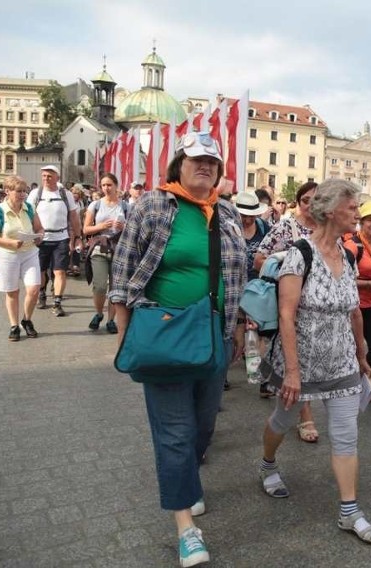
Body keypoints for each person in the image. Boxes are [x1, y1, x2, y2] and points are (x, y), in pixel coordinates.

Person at [109, 132, 247, 567]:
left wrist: (240, 323)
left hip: (215, 334)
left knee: (203, 426)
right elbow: (125, 263)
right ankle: (186, 527)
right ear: (178, 166)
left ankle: (187, 479)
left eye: (212, 161)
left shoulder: (224, 212)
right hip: (166, 334)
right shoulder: (154, 205)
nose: (204, 166)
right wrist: (122, 322)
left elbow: (236, 272)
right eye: (196, 160)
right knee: (174, 432)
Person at [258, 179, 371, 544]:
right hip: (301, 362)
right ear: (330, 211)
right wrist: (293, 373)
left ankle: (350, 511)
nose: (357, 215)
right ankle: (267, 465)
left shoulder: (347, 255)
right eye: (352, 208)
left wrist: (361, 355)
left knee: (346, 436)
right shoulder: (300, 254)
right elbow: (286, 315)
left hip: (341, 361)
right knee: (282, 420)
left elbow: (354, 312)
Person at [253, 182, 321, 440]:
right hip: (290, 302)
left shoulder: (325, 229)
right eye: (306, 200)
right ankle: (306, 417)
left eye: (317, 200)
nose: (311, 205)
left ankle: (286, 399)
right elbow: (259, 258)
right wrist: (285, 260)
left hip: (315, 306)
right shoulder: (286, 226)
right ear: (298, 202)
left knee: (301, 361)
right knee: (297, 360)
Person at [0, 175, 44, 341]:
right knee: (13, 292)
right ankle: (14, 325)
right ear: (7, 191)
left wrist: (39, 235)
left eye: (24, 191)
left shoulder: (29, 208)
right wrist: (9, 242)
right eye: (18, 191)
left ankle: (26, 320)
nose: (22, 194)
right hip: (7, 254)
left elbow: (40, 228)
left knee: (34, 289)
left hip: (30, 252)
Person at [344, 202, 371, 394]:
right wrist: (369, 284)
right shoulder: (352, 245)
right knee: (353, 349)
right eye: (370, 219)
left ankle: (366, 385)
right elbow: (342, 278)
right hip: (353, 306)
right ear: (361, 222)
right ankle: (349, 386)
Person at [29, 165, 81, 317]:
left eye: (49, 176)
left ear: (57, 177)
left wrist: (77, 237)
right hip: (41, 239)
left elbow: (73, 217)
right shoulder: (35, 193)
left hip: (61, 238)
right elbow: (28, 214)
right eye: (44, 176)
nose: (46, 179)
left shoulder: (66, 194)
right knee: (41, 270)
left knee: (60, 271)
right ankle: (42, 294)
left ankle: (57, 303)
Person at [83, 173, 127, 334]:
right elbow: (86, 229)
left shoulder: (126, 206)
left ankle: (111, 320)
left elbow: (134, 230)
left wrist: (124, 227)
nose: (106, 188)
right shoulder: (95, 205)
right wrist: (100, 226)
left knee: (115, 288)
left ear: (116, 185)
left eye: (109, 185)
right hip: (99, 247)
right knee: (100, 285)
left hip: (119, 248)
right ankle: (99, 313)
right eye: (103, 185)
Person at [235, 192, 270, 281]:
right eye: (243, 216)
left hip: (257, 287)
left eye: (251, 216)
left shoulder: (263, 227)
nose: (247, 220)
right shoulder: (229, 229)